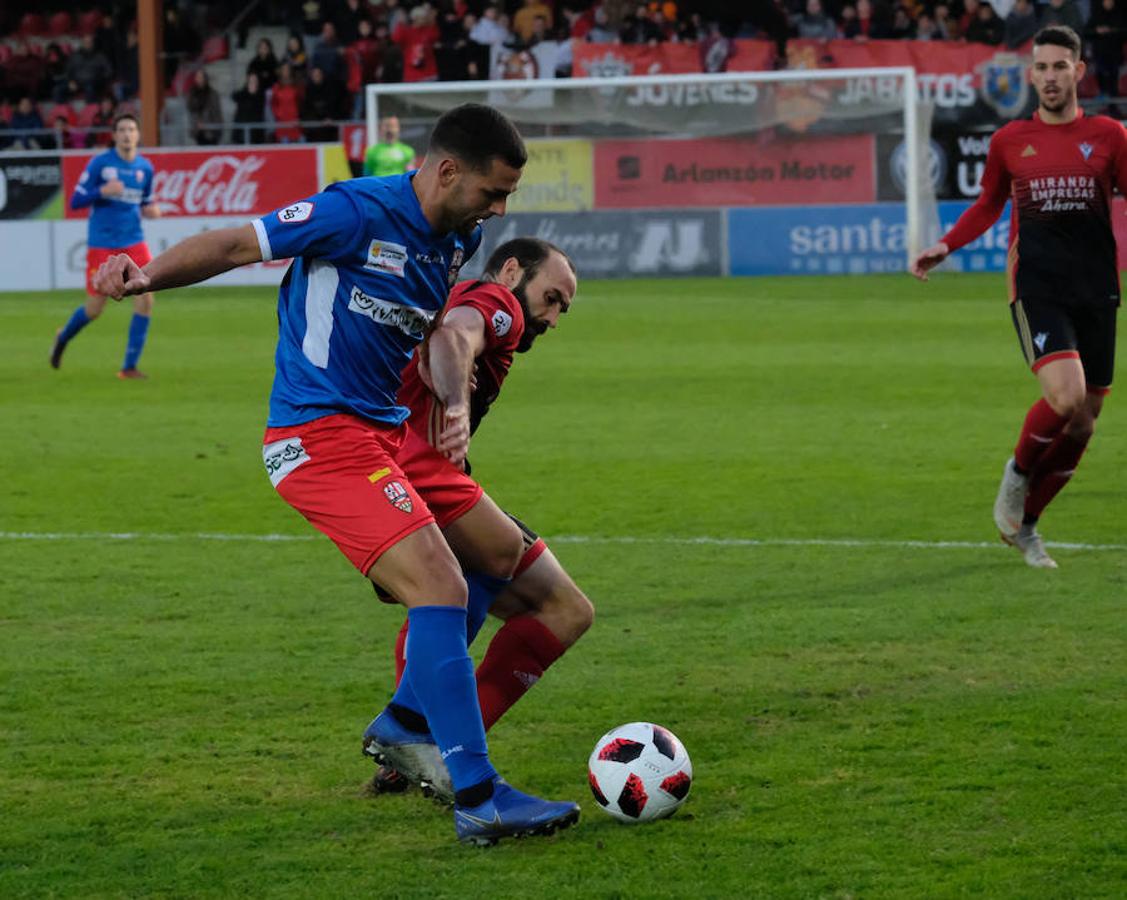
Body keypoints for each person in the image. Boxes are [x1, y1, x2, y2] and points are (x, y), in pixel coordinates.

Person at [90, 103, 580, 846]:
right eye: (491, 191)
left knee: (496, 554)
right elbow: (234, 242)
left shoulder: (460, 236)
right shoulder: (352, 211)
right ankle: (478, 798)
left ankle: (406, 721)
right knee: (441, 585)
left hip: (379, 439)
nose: (499, 209)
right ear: (445, 170)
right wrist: (143, 275)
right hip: (316, 435)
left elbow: (442, 326)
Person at [365, 238, 592, 799]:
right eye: (552, 297)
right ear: (513, 270)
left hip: (408, 469)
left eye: (564, 307)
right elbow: (455, 333)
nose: (554, 317)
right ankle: (417, 732)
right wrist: (457, 402)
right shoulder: (500, 301)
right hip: (405, 471)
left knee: (566, 610)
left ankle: (415, 751)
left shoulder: (470, 298)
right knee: (493, 561)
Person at [909, 26, 1127, 569]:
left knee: (1084, 421)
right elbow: (987, 204)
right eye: (1042, 67)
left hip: (1097, 286)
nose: (1050, 77)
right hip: (1037, 284)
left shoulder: (1110, 136)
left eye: (1060, 66)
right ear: (1031, 75)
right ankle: (1018, 472)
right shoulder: (1010, 140)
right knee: (1066, 397)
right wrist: (946, 244)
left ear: (1079, 72)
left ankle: (1028, 527)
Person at [51, 113, 160, 378]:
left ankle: (129, 367)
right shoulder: (100, 164)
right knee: (94, 309)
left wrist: (151, 210)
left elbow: (146, 202)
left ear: (137, 135)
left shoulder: (145, 168)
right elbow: (75, 201)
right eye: (122, 129)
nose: (127, 134)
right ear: (114, 135)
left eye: (131, 129)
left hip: (134, 242)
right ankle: (63, 337)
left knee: (146, 300)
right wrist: (102, 191)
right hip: (102, 245)